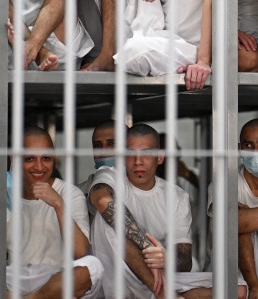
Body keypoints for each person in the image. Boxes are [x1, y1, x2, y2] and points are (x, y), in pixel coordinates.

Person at [0, 127, 103, 298]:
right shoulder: (0, 201)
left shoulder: (70, 194)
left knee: (92, 266)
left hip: (58, 277)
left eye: (46, 158)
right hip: (16, 278)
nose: (39, 166)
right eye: (30, 158)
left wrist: (58, 204)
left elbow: (79, 252)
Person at [89, 123, 234, 298]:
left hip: (160, 277)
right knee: (109, 217)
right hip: (117, 277)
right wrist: (148, 249)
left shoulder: (177, 196)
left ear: (160, 157)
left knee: (236, 287)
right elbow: (101, 199)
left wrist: (164, 259)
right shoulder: (110, 176)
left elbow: (185, 260)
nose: (138, 161)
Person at [207, 118, 258, 299]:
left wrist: (249, 217)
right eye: (248, 145)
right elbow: (235, 224)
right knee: (240, 230)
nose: (256, 152)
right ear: (239, 148)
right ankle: (255, 287)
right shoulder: (224, 182)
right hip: (230, 272)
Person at [77, 119, 124, 217]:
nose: (103, 151)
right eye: (98, 145)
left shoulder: (141, 187)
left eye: (111, 143)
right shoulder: (78, 192)